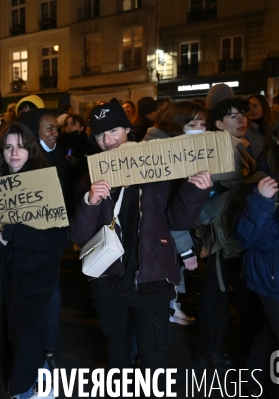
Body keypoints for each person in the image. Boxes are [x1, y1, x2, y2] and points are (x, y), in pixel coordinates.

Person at [68, 102, 211, 391]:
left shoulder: (157, 165)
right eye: (99, 135)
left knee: (155, 355)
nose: (107, 140)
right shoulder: (91, 175)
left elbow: (177, 219)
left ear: (128, 129)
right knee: (118, 353)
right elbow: (79, 235)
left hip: (153, 281)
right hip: (110, 283)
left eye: (113, 130)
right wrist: (90, 202)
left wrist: (195, 190)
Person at [0, 123, 71, 399]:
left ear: (30, 150)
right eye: (8, 147)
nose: (14, 152)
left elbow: (59, 238)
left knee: (28, 336)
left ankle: (22, 391)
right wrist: (4, 239)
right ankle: (36, 384)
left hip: (37, 276)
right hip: (5, 278)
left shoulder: (46, 184)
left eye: (20, 146)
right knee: (12, 337)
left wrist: (14, 233)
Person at [235, 105, 279, 399]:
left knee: (272, 334)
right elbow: (249, 238)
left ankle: (249, 385)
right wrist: (260, 201)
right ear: (277, 137)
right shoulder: (269, 176)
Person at [193, 95, 256, 370]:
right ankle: (210, 350)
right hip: (224, 234)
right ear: (218, 124)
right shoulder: (221, 149)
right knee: (216, 294)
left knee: (224, 292)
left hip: (233, 232)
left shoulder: (241, 146)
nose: (241, 119)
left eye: (242, 113)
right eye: (233, 115)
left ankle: (217, 348)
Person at [143, 100, 210, 326]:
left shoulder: (174, 147)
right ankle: (168, 308)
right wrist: (185, 249)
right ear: (176, 124)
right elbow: (166, 210)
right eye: (193, 124)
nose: (200, 129)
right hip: (162, 237)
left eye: (203, 123)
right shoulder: (161, 153)